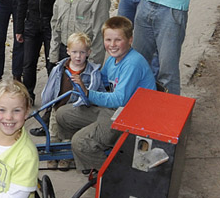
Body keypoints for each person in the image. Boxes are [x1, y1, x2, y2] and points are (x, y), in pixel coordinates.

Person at [56, 16, 155, 175]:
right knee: (62, 114)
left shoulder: (132, 63)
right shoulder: (112, 60)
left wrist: (88, 93)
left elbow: (119, 99)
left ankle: (115, 175)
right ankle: (83, 156)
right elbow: (100, 81)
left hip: (129, 116)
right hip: (114, 109)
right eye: (108, 39)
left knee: (80, 142)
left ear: (130, 40)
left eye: (118, 40)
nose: (112, 45)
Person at [32, 32, 103, 141]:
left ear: (89, 52)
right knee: (53, 138)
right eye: (74, 52)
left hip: (75, 112)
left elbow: (96, 93)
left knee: (69, 139)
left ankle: (67, 157)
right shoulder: (60, 68)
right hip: (57, 108)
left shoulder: (93, 73)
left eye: (82, 52)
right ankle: (52, 157)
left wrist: (84, 88)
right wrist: (47, 103)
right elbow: (50, 87)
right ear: (68, 51)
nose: (78, 56)